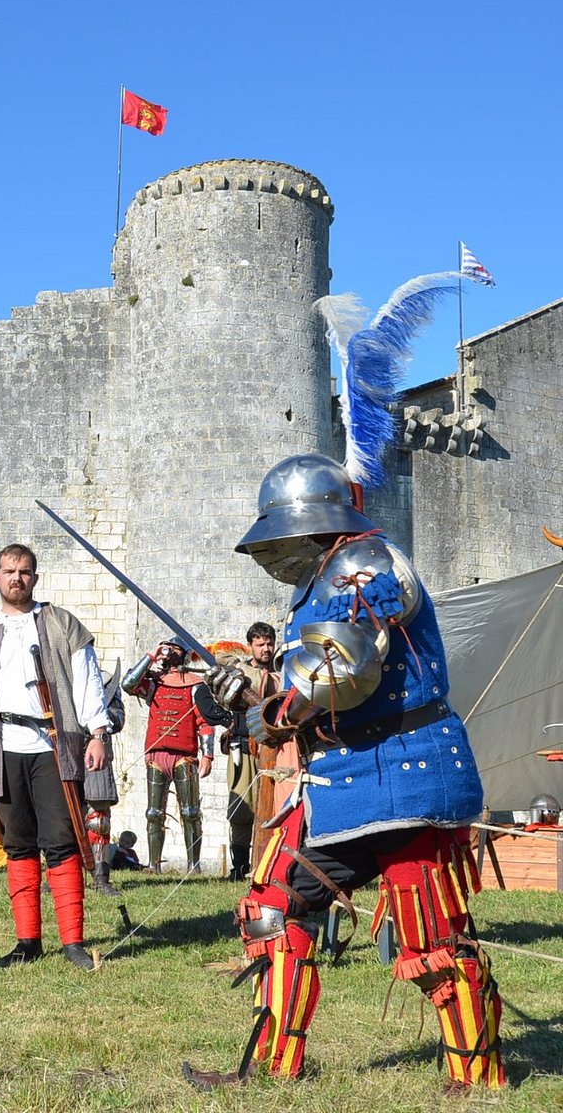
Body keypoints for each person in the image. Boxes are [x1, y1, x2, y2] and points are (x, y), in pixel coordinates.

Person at [185, 453, 503, 1090]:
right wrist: (251, 695)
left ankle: (477, 1077)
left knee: (430, 939)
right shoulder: (324, 577)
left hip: (410, 775)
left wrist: (278, 706)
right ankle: (277, 1069)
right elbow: (303, 688)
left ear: (313, 520)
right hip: (344, 784)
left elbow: (347, 666)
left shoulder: (364, 563)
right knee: (272, 910)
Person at [0, 544, 111, 970]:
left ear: (35, 578)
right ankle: (28, 941)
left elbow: (87, 683)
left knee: (62, 841)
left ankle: (74, 942)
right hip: (3, 747)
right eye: (9, 571)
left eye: (24, 571)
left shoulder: (62, 624)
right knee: (18, 842)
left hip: (53, 746)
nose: (16, 578)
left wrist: (97, 733)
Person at [122, 641, 215, 873]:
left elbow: (204, 722)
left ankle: (193, 866)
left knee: (190, 812)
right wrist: (150, 657)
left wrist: (208, 755)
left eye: (173, 648)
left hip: (185, 756)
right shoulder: (154, 683)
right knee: (154, 813)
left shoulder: (196, 686)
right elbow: (128, 684)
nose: (168, 651)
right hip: (157, 755)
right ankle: (154, 865)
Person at [207, 623, 279, 880]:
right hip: (245, 746)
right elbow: (216, 661)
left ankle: (270, 864)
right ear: (251, 645)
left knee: (275, 807)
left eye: (269, 643)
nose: (266, 649)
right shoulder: (241, 670)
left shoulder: (283, 671)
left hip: (277, 750)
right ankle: (239, 867)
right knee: (241, 808)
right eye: (260, 644)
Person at [83, 668, 126, 897]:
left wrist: (99, 717)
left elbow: (119, 718)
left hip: (96, 752)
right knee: (61, 819)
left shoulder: (105, 679)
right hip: (63, 751)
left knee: (99, 820)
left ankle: (101, 878)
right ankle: (57, 875)